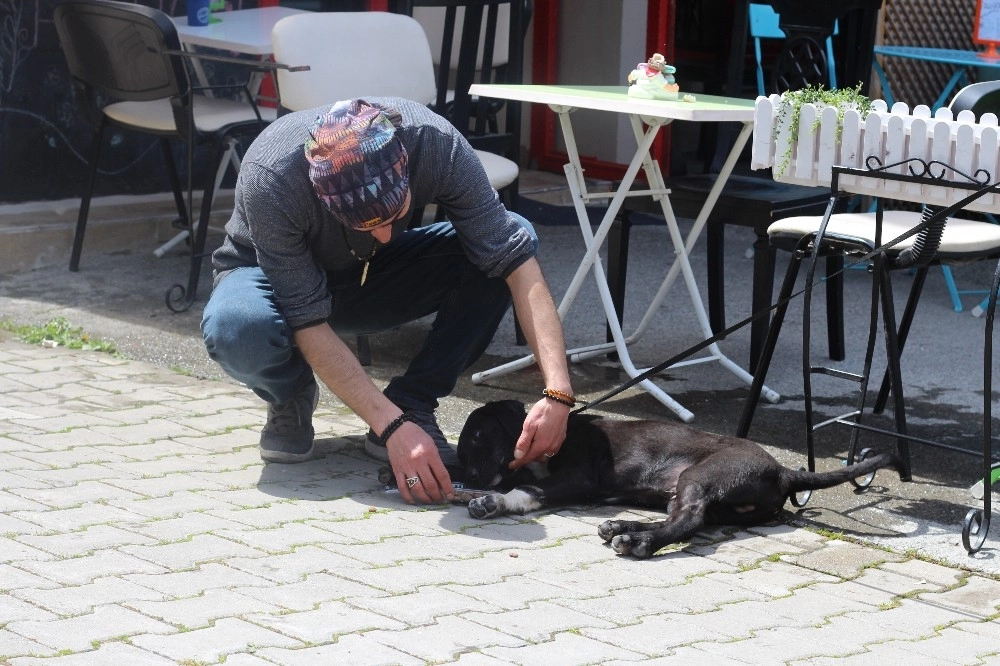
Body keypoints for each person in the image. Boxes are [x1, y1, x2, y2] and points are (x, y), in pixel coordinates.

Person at [201, 97, 575, 505]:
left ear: (405, 167)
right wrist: (391, 428)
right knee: (236, 326)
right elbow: (305, 318)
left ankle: (412, 401)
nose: (383, 234)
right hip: (270, 282)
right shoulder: (272, 177)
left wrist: (558, 393)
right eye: (365, 223)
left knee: (514, 235)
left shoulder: (435, 144)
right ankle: (289, 394)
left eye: (393, 216)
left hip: (372, 275)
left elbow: (516, 262)